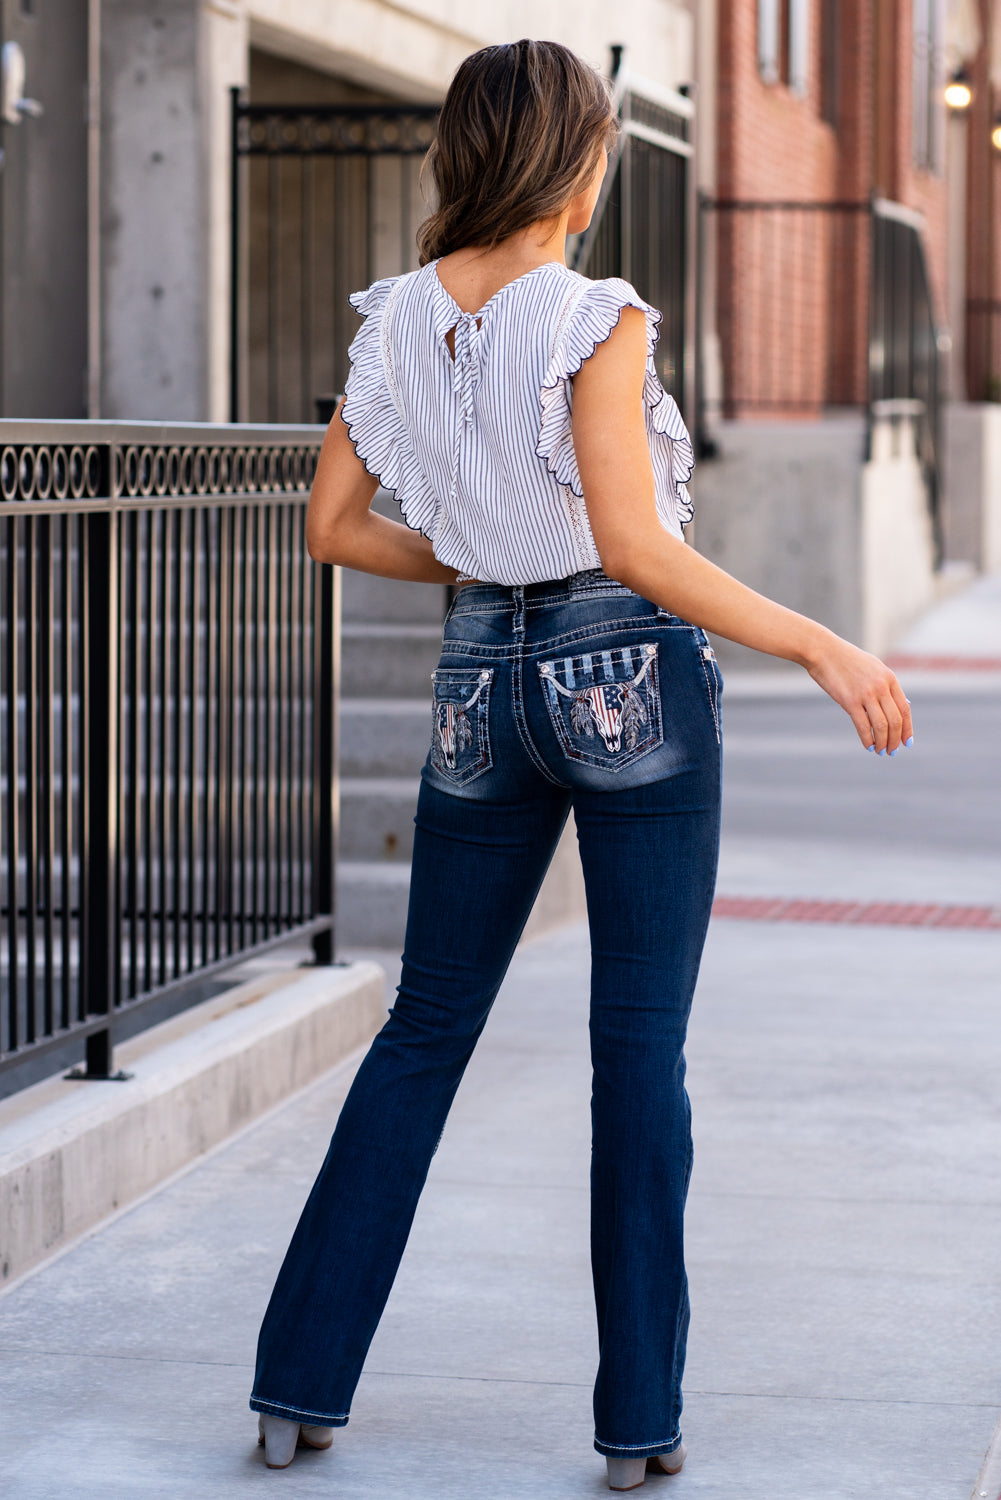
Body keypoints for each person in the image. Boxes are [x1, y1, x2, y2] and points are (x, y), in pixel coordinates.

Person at [249, 38, 913, 1491]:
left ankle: (295, 1388)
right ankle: (637, 1427)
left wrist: (484, 566)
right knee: (636, 1047)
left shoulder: (398, 319)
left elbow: (332, 529)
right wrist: (822, 645)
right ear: (581, 162)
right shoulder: (592, 316)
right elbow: (634, 548)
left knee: (424, 1029)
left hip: (478, 685)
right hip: (626, 676)